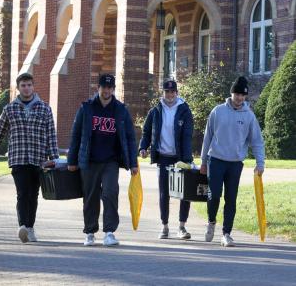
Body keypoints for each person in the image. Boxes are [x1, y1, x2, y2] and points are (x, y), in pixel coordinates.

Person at [68, 73, 138, 247]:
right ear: (97, 88)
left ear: (113, 89)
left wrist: (134, 163)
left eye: (109, 87)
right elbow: (76, 135)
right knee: (90, 197)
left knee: (110, 194)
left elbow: (130, 137)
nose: (106, 90)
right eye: (103, 87)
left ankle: (109, 233)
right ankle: (90, 232)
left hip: (111, 161)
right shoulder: (87, 108)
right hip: (90, 161)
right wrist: (72, 160)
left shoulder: (120, 110)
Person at [200, 76, 265, 247]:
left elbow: (257, 141)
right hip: (216, 160)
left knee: (231, 198)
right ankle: (211, 221)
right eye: (237, 94)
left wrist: (260, 163)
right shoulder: (218, 111)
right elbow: (208, 137)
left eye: (242, 95)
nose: (239, 98)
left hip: (235, 163)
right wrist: (203, 162)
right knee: (213, 195)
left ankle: (226, 233)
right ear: (232, 94)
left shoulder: (249, 116)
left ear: (245, 97)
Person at [0, 73, 59, 243]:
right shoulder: (9, 109)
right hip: (18, 158)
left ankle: (30, 228)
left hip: (39, 159)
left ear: (33, 86)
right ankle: (23, 226)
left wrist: (55, 159)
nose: (26, 88)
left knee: (33, 194)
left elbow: (51, 135)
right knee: (22, 193)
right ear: (18, 88)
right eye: (23, 85)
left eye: (29, 85)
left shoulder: (45, 108)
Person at [139, 80, 194, 239]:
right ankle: (165, 226)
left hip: (180, 158)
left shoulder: (184, 110)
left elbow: (187, 136)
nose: (170, 95)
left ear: (176, 93)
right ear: (162, 93)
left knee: (185, 193)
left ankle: (182, 227)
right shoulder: (155, 111)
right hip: (163, 157)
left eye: (172, 92)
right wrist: (143, 147)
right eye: (167, 92)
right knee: (164, 193)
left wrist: (187, 159)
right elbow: (147, 131)